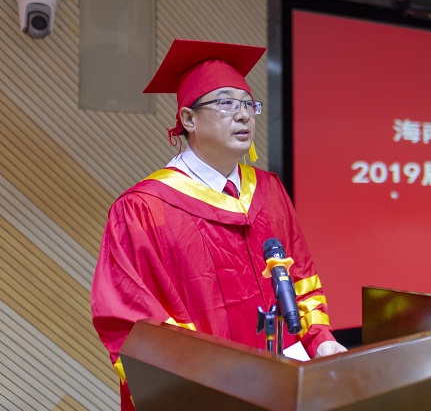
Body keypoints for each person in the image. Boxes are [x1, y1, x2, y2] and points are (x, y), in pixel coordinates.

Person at [91, 39, 346, 411]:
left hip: (284, 384)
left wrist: (321, 341)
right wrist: (211, 382)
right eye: (226, 103)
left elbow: (302, 280)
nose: (243, 116)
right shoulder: (143, 208)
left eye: (248, 104)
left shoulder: (269, 191)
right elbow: (131, 321)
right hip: (205, 397)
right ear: (188, 119)